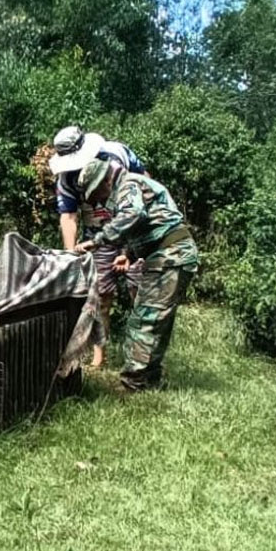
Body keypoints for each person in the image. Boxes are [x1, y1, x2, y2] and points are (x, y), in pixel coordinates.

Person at [74, 157, 198, 392]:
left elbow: (134, 214)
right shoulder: (131, 184)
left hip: (169, 256)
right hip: (169, 255)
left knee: (144, 321)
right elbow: (149, 224)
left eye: (97, 194)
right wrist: (129, 254)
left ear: (105, 181)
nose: (98, 201)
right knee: (155, 321)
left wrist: (97, 241)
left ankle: (133, 384)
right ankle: (149, 380)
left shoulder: (127, 184)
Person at [49, 125, 147, 367]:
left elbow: (145, 183)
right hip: (96, 237)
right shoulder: (66, 179)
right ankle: (99, 357)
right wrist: (71, 254)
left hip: (134, 231)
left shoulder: (116, 155)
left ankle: (142, 357)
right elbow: (68, 216)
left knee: (140, 290)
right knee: (100, 296)